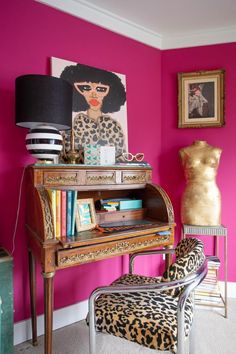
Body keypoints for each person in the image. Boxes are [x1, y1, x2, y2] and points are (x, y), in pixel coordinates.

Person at [60, 63, 127, 161]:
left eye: (101, 89)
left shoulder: (114, 127)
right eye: (86, 88)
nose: (94, 94)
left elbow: (121, 158)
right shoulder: (72, 129)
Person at [179, 140, 222, 226]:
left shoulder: (216, 151)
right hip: (192, 196)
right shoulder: (184, 151)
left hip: (211, 196)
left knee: (214, 225)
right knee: (189, 223)